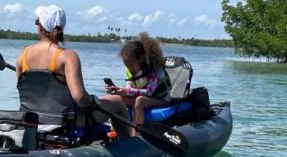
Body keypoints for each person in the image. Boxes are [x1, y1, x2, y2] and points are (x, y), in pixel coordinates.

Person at [15, 5, 128, 136]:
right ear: (62, 28)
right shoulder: (67, 56)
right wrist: (94, 100)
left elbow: (26, 91)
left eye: (37, 22)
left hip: (32, 119)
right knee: (118, 101)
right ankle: (130, 147)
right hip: (68, 121)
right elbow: (80, 98)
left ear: (40, 27)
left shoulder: (22, 56)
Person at [101, 32, 172, 136]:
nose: (128, 67)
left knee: (140, 101)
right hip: (143, 97)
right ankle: (118, 132)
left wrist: (127, 91)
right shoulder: (129, 69)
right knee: (116, 99)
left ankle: (135, 136)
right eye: (126, 64)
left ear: (141, 58)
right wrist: (118, 91)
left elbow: (149, 92)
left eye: (131, 64)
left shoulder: (155, 69)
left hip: (160, 99)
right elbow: (129, 87)